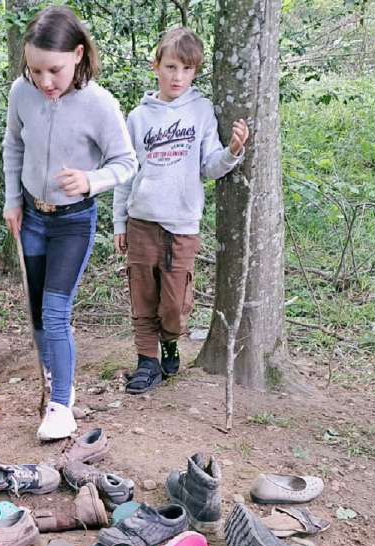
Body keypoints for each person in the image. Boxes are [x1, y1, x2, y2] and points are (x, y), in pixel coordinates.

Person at [2, 5, 137, 441]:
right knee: (38, 312)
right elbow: (13, 147)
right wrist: (12, 201)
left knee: (56, 312)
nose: (45, 81)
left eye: (54, 70)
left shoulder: (99, 104)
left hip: (74, 221)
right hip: (32, 215)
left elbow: (127, 162)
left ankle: (62, 405)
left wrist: (90, 180)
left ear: (78, 55)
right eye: (35, 69)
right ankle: (53, 380)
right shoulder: (22, 92)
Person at [113, 27, 249, 394]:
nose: (178, 76)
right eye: (171, 66)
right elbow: (126, 173)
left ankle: (170, 340)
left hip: (182, 224)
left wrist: (233, 152)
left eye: (187, 69)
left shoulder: (201, 111)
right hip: (141, 220)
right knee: (142, 296)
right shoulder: (138, 117)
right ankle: (146, 362)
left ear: (195, 72)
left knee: (174, 301)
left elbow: (209, 165)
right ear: (155, 65)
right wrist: (119, 221)